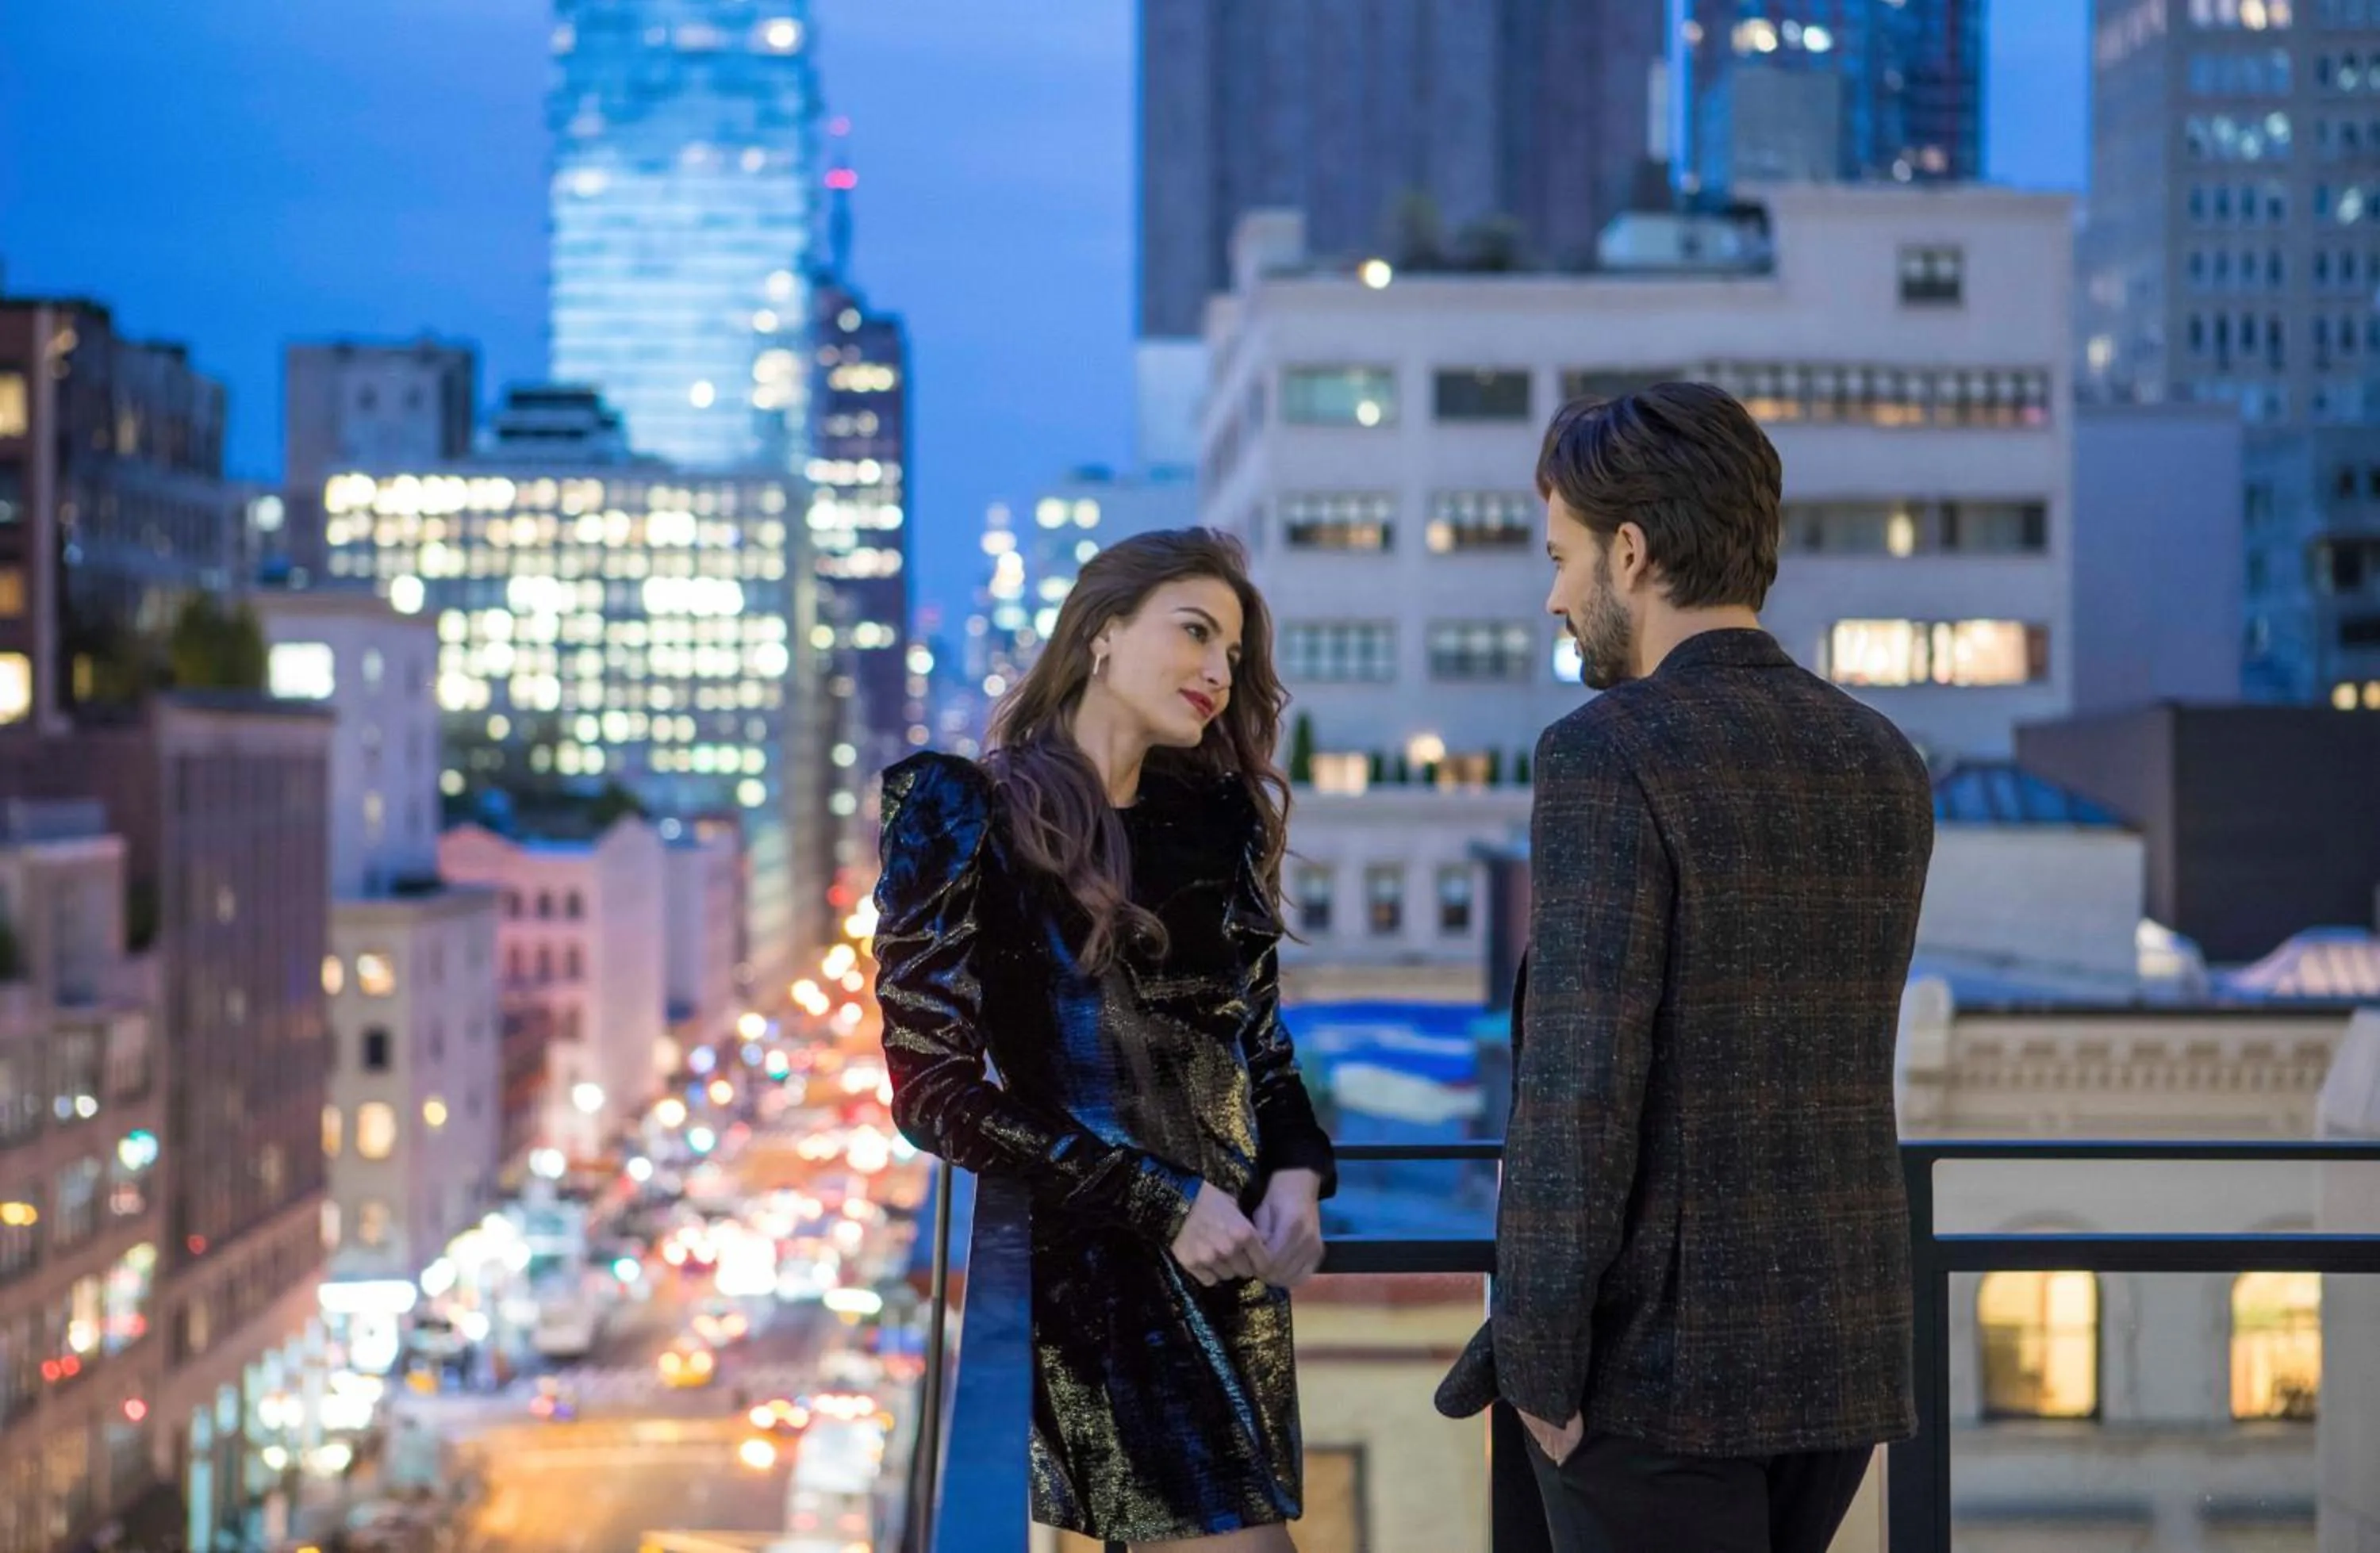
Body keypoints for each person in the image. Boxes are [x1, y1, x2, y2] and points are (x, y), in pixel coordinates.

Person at [1435, 384, 1937, 1552]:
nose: (1555, 597)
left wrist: (1541, 1367)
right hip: (1839, 1355)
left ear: (1630, 550)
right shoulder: (1882, 757)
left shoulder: (1605, 752)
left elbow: (1580, 1088)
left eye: (1561, 558)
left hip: (1657, 1378)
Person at [876, 527, 1336, 1551]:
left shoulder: (1216, 819)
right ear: (1101, 633)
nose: (1220, 671)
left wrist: (1300, 1171)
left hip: (1230, 1264)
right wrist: (1158, 1198)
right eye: (1195, 632)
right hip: (1102, 1264)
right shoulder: (965, 813)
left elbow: (1258, 1040)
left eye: (1234, 652)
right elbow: (931, 1091)